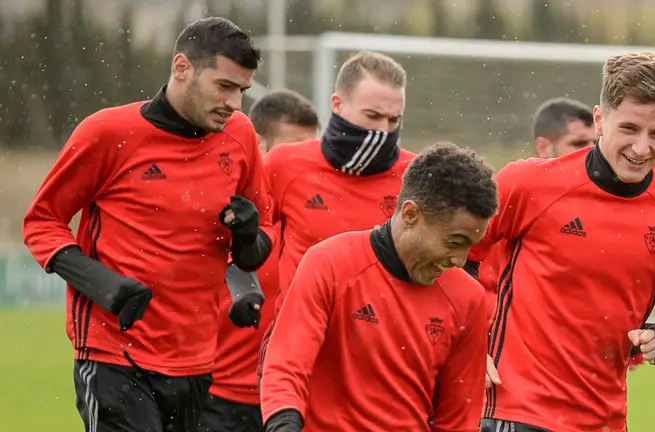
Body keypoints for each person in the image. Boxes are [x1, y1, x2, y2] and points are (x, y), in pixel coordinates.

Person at [22, 17, 275, 432]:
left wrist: (247, 236)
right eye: (224, 86)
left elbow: (258, 244)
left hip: (195, 359)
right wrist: (102, 284)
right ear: (181, 68)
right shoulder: (108, 132)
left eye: (242, 91)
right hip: (114, 355)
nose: (235, 104)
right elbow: (41, 221)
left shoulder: (240, 136)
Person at [468, 52, 655, 432]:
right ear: (600, 119)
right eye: (629, 128)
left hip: (606, 419)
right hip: (515, 410)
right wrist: (464, 342)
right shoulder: (528, 184)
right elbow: (454, 256)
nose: (641, 147)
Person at [260, 142, 498, 431]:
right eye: (454, 242)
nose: (461, 261)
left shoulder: (467, 297)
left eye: (470, 247)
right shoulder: (330, 262)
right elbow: (286, 367)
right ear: (411, 215)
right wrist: (283, 424)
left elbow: (457, 421)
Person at [257, 50, 418, 380]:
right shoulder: (285, 164)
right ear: (337, 104)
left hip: (380, 361)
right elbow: (243, 240)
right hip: (298, 355)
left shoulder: (415, 176)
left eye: (393, 120)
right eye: (372, 115)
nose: (382, 130)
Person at [198, 89, 320, 432]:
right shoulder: (223, 214)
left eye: (310, 149)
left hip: (292, 403)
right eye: (293, 147)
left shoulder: (311, 222)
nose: (303, 161)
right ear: (258, 145)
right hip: (219, 397)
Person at [478, 97, 598, 388]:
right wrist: (473, 345)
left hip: (577, 378)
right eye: (578, 144)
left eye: (595, 144)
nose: (591, 154)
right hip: (506, 373)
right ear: (543, 146)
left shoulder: (596, 208)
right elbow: (472, 278)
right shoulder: (514, 197)